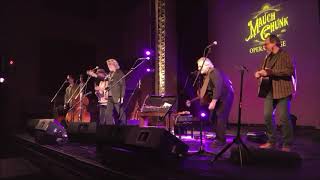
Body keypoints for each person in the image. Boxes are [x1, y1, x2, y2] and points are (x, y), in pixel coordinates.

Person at [254, 34, 295, 152]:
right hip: (269, 91)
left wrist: (270, 72)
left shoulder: (284, 55)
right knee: (267, 116)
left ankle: (287, 143)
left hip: (282, 90)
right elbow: (265, 71)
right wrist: (259, 73)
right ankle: (272, 141)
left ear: (274, 43)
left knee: (283, 117)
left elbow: (289, 71)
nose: (264, 46)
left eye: (266, 44)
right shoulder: (267, 57)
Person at [187, 57, 234, 146]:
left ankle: (220, 140)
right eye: (198, 66)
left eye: (200, 66)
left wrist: (214, 101)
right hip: (219, 97)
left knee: (220, 116)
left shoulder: (214, 71)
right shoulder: (207, 75)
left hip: (225, 96)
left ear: (208, 66)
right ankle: (218, 137)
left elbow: (218, 86)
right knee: (212, 118)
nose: (198, 68)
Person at [87, 58, 126, 125]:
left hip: (116, 96)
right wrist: (95, 75)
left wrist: (121, 96)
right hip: (109, 96)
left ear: (114, 65)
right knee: (108, 114)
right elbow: (104, 78)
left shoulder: (119, 73)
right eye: (108, 65)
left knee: (120, 113)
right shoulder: (110, 73)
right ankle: (109, 128)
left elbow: (123, 85)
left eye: (110, 65)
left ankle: (125, 127)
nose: (108, 67)